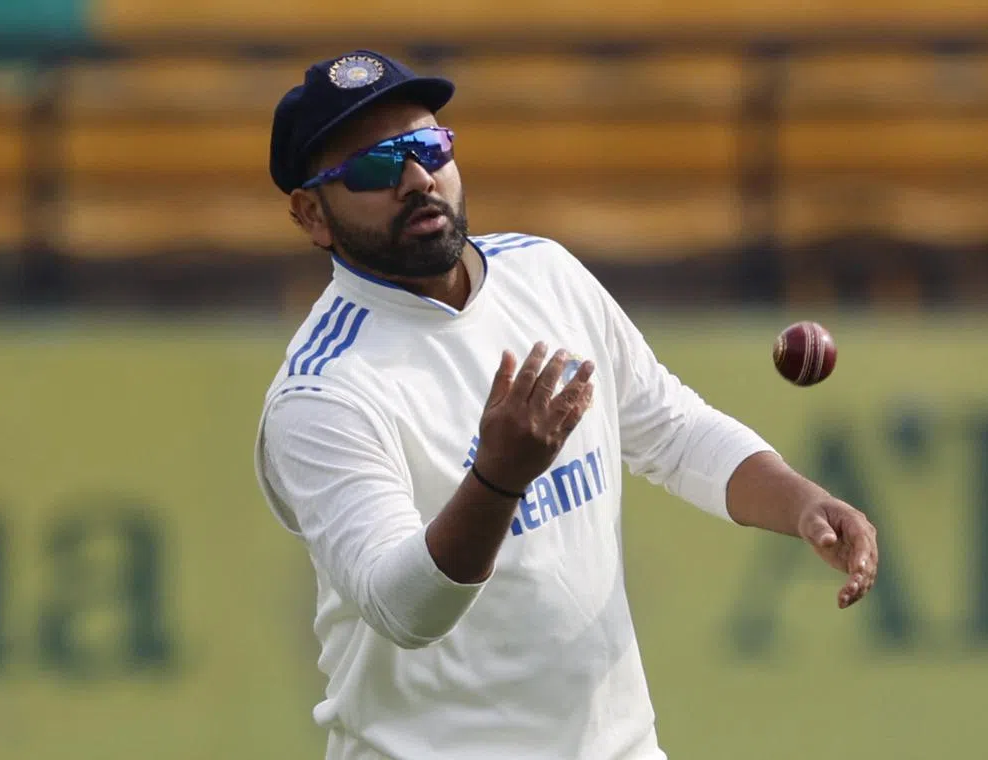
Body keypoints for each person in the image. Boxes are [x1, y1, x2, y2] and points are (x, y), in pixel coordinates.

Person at [252, 49, 879, 760]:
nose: (417, 179)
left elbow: (672, 431)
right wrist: (497, 481)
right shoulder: (323, 390)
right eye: (372, 167)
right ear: (311, 215)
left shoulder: (542, 271)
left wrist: (801, 503)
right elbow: (403, 609)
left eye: (428, 146)